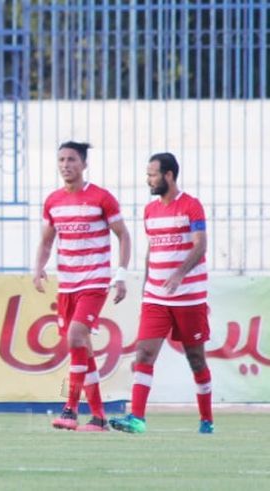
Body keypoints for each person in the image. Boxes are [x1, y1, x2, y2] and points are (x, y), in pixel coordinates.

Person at [110, 153, 213, 434]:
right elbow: (151, 251)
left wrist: (179, 274)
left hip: (189, 296)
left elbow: (200, 245)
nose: (148, 180)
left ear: (168, 175)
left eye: (152, 175)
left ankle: (206, 419)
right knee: (144, 354)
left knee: (196, 359)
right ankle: (137, 419)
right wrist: (146, 288)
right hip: (156, 297)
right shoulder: (150, 211)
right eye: (148, 174)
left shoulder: (191, 206)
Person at [34, 141, 131, 432]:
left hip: (94, 282)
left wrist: (121, 274)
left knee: (75, 336)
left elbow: (123, 235)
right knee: (82, 347)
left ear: (84, 164)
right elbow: (47, 241)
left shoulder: (101, 198)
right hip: (67, 285)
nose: (65, 165)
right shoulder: (53, 201)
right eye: (61, 159)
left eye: (72, 159)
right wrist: (38, 268)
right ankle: (99, 417)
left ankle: (71, 409)